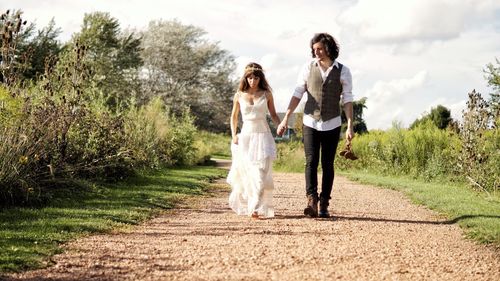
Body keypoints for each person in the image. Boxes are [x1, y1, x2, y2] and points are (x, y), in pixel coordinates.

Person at [277, 33, 354, 218]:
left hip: (333, 122)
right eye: (314, 49)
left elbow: (348, 98)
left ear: (328, 48)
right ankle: (311, 200)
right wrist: (286, 117)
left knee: (327, 164)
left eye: (319, 48)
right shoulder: (307, 68)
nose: (316, 52)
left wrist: (350, 124)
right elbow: (298, 93)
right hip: (310, 121)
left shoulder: (343, 71)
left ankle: (324, 202)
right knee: (311, 161)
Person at [227, 62, 281, 219]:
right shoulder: (239, 95)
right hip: (246, 137)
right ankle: (253, 204)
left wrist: (280, 125)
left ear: (260, 78)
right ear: (246, 78)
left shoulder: (267, 94)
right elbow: (234, 116)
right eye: (249, 78)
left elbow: (274, 114)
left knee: (260, 173)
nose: (252, 81)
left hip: (263, 136)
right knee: (249, 173)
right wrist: (234, 135)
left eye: (255, 78)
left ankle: (256, 206)